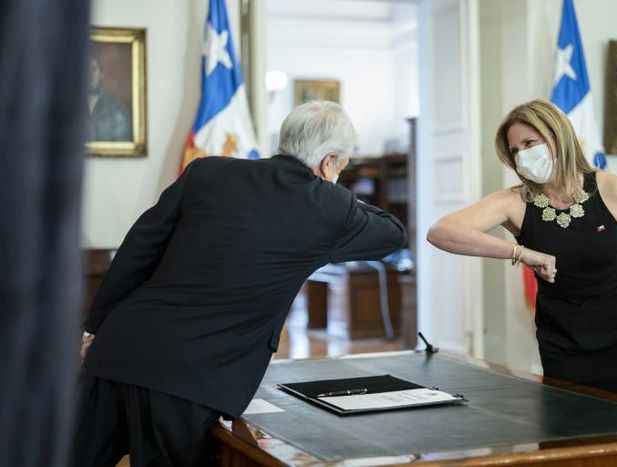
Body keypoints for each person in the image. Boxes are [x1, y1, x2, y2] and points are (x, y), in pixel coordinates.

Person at [73, 100, 407, 466]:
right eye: (341, 164)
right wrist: (336, 190)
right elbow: (393, 234)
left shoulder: (206, 172)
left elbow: (137, 249)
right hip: (189, 379)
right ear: (328, 162)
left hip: (117, 351)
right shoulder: (329, 207)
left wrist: (94, 328)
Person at [427, 99, 617, 398]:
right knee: (565, 433)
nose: (523, 156)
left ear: (557, 137)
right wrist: (520, 252)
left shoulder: (613, 189)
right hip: (563, 343)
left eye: (530, 143)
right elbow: (441, 232)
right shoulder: (514, 201)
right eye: (515, 151)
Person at [87, 55, 132, 141]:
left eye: (93, 69)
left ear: (101, 74)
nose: (89, 74)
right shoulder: (70, 107)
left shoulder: (117, 109)